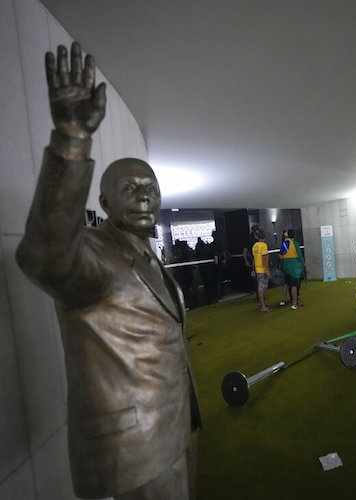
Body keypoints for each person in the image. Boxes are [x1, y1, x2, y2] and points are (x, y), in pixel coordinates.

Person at [15, 43, 201, 499]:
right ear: (104, 203)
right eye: (130, 188)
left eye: (151, 188)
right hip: (132, 456)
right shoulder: (95, 254)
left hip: (179, 431)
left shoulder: (149, 253)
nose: (144, 196)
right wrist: (72, 138)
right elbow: (44, 255)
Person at [278, 229, 306, 310]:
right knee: (294, 285)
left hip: (286, 266)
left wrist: (280, 264)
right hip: (293, 267)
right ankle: (294, 304)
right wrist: (303, 264)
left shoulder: (284, 244)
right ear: (294, 235)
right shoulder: (295, 244)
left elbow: (280, 256)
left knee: (286, 283)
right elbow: (299, 256)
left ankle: (282, 301)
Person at [251, 226, 272, 312]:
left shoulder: (255, 246)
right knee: (261, 288)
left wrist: (253, 270)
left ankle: (263, 304)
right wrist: (268, 271)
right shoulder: (263, 246)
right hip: (262, 270)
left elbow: (254, 259)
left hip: (257, 269)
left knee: (261, 288)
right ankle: (263, 307)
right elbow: (265, 259)